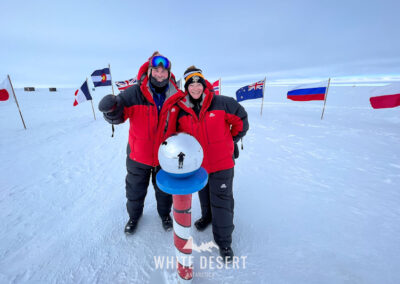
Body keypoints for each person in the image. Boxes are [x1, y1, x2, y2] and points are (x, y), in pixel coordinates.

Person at [98, 52, 185, 234]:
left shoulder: (177, 96)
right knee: (135, 190)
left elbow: (188, 122)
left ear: (169, 74)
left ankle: (165, 215)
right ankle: (134, 217)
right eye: (156, 70)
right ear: (149, 70)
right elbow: (119, 113)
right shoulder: (134, 93)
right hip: (138, 156)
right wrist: (110, 110)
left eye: (164, 71)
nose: (160, 74)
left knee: (164, 191)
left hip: (165, 156)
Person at [176, 66, 249, 262]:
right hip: (199, 165)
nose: (195, 87)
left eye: (198, 83)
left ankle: (224, 242)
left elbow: (241, 121)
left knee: (222, 201)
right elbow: (179, 136)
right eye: (191, 84)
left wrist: (230, 140)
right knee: (204, 194)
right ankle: (207, 217)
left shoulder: (222, 103)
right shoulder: (182, 111)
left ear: (204, 83)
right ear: (186, 87)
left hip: (222, 164)